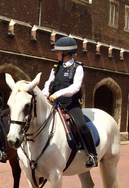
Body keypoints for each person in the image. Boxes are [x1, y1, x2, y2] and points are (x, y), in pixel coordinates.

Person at [42, 36, 98, 168]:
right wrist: (44, 93)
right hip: (53, 103)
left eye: (57, 51)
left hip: (70, 104)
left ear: (65, 52)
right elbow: (48, 82)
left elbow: (75, 87)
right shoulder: (55, 67)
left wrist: (58, 94)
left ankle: (92, 155)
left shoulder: (77, 67)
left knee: (82, 125)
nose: (56, 54)